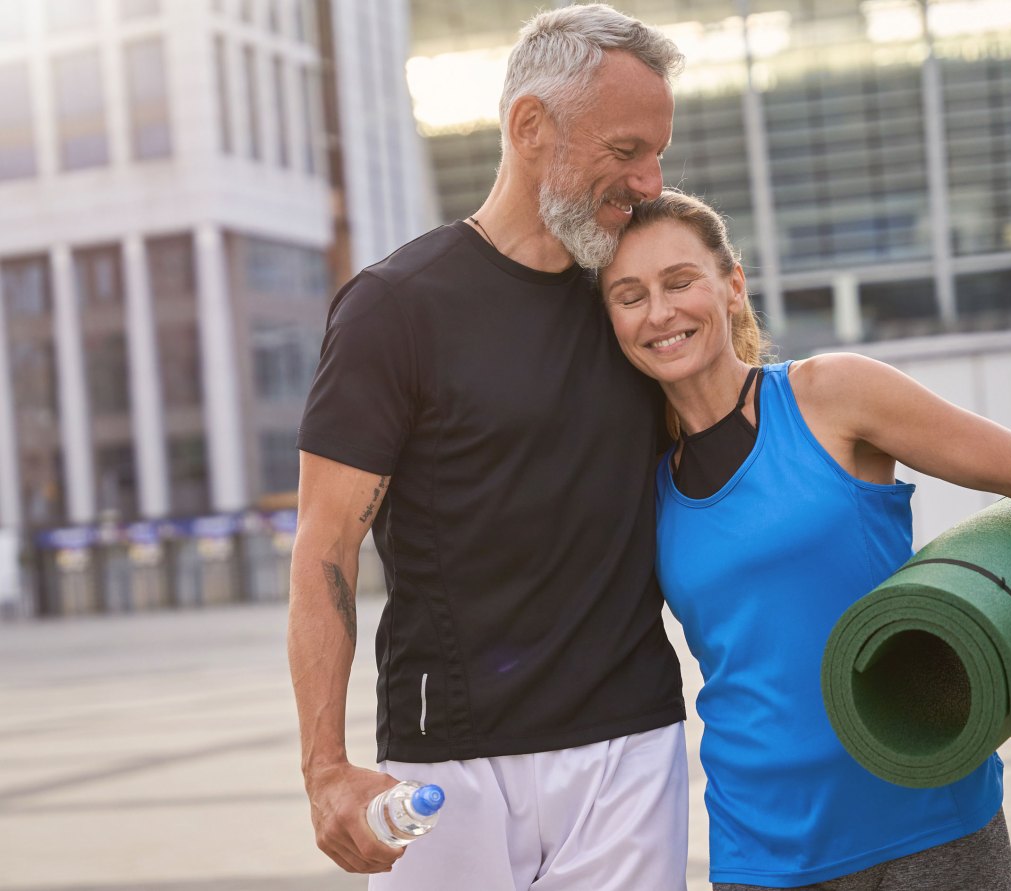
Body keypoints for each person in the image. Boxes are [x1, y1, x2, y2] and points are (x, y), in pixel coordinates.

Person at [598, 189, 1011, 891]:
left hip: (929, 814)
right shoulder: (637, 482)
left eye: (679, 281)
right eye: (630, 295)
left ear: (732, 285)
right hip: (764, 842)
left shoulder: (829, 394)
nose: (659, 312)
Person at [287, 7, 689, 889]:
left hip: (629, 746)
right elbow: (326, 544)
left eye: (659, 153)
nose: (650, 181)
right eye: (626, 150)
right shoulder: (395, 308)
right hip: (447, 758)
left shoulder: (636, 305)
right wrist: (324, 768)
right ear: (530, 126)